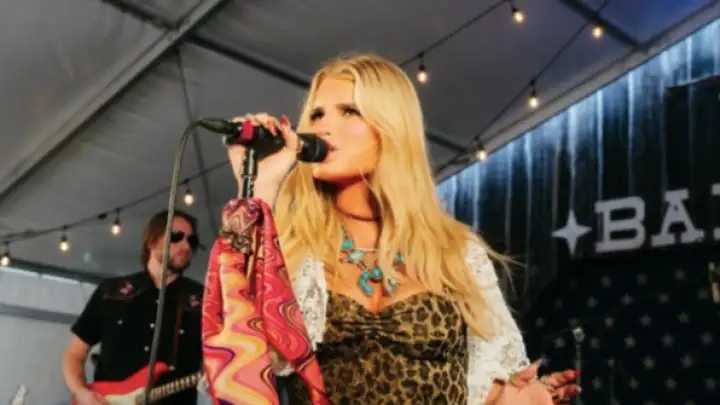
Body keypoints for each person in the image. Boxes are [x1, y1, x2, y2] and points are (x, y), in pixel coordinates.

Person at [217, 53, 580, 404]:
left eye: (349, 111)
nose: (322, 127)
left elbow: (490, 386)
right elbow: (236, 353)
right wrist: (260, 188)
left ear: (391, 128)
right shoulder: (293, 250)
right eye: (316, 114)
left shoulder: (455, 252)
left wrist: (522, 399)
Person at [62, 210, 205, 405]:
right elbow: (75, 353)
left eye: (192, 241)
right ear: (151, 241)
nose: (186, 246)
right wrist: (81, 392)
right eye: (176, 236)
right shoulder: (112, 291)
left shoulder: (204, 300)